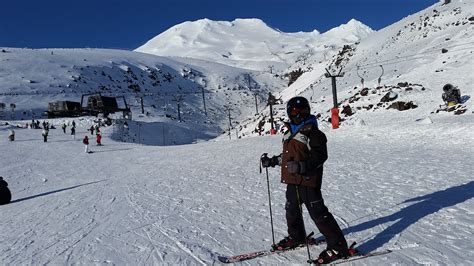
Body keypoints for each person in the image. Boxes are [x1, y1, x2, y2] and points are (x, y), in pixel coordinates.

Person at [260, 96, 353, 264]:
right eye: (295, 111)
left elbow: (320, 156)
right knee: (292, 211)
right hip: (292, 181)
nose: (299, 114)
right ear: (289, 113)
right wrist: (273, 161)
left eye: (303, 110)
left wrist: (302, 166)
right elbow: (289, 157)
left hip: (309, 181)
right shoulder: (290, 131)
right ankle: (297, 237)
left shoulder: (314, 133)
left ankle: (339, 247)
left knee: (319, 214)